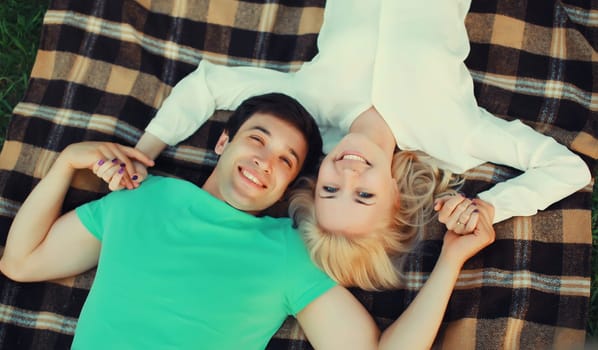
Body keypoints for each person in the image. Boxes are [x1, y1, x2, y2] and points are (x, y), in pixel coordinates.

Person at [101, 0, 591, 290]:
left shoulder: (305, 113)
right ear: (399, 199)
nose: (349, 174)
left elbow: (207, 85)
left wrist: (145, 151)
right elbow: (569, 170)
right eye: (365, 195)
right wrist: (488, 206)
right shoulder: (454, 136)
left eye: (331, 191)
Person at [0, 93, 495, 349]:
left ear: (291, 187)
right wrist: (66, 162)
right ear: (223, 142)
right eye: (257, 139)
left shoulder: (291, 253)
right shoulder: (138, 196)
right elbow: (19, 262)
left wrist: (451, 259)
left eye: (286, 160)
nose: (265, 160)